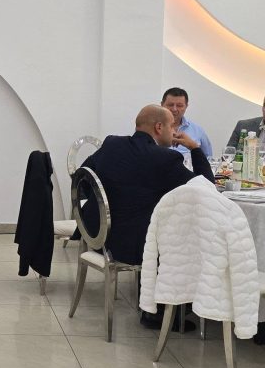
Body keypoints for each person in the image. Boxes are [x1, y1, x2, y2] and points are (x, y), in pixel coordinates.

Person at [78, 105, 213, 329]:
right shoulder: (165, 158)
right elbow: (206, 188)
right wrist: (195, 148)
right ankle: (160, 312)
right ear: (159, 127)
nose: (175, 131)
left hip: (95, 234)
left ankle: (158, 305)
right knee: (182, 233)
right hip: (131, 246)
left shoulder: (112, 144)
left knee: (154, 224)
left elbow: (83, 175)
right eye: (172, 126)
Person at [160, 87, 212, 157]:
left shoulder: (198, 131)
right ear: (162, 105)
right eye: (170, 105)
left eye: (179, 106)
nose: (174, 109)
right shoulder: (151, 129)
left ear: (186, 106)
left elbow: (208, 158)